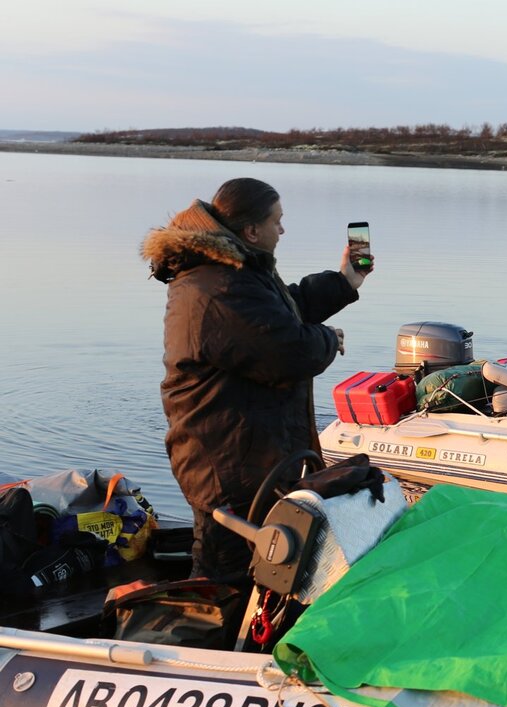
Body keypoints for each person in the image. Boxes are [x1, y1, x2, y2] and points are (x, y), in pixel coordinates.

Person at [142, 178, 371, 583]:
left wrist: (343, 282)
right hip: (228, 467)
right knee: (225, 576)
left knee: (262, 571)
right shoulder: (218, 286)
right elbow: (287, 352)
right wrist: (327, 339)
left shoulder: (232, 272)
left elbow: (280, 312)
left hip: (247, 457)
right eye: (276, 221)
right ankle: (201, 623)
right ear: (250, 230)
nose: (282, 230)